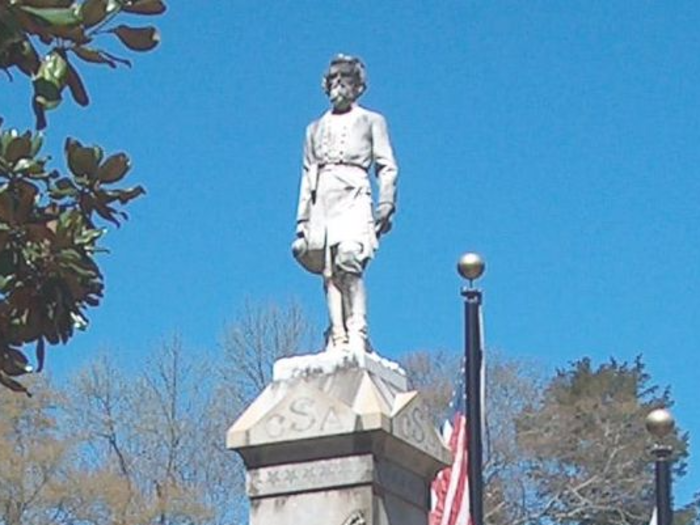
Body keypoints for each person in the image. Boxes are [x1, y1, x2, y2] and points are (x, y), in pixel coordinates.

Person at [292, 54, 398, 354]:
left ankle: (358, 330)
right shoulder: (313, 129)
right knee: (328, 271)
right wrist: (302, 222)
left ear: (357, 87)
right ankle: (336, 333)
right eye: (334, 81)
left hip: (354, 192)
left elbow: (387, 164)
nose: (339, 86)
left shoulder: (371, 121)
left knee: (349, 260)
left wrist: (386, 201)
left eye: (345, 81)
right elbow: (307, 174)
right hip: (323, 198)